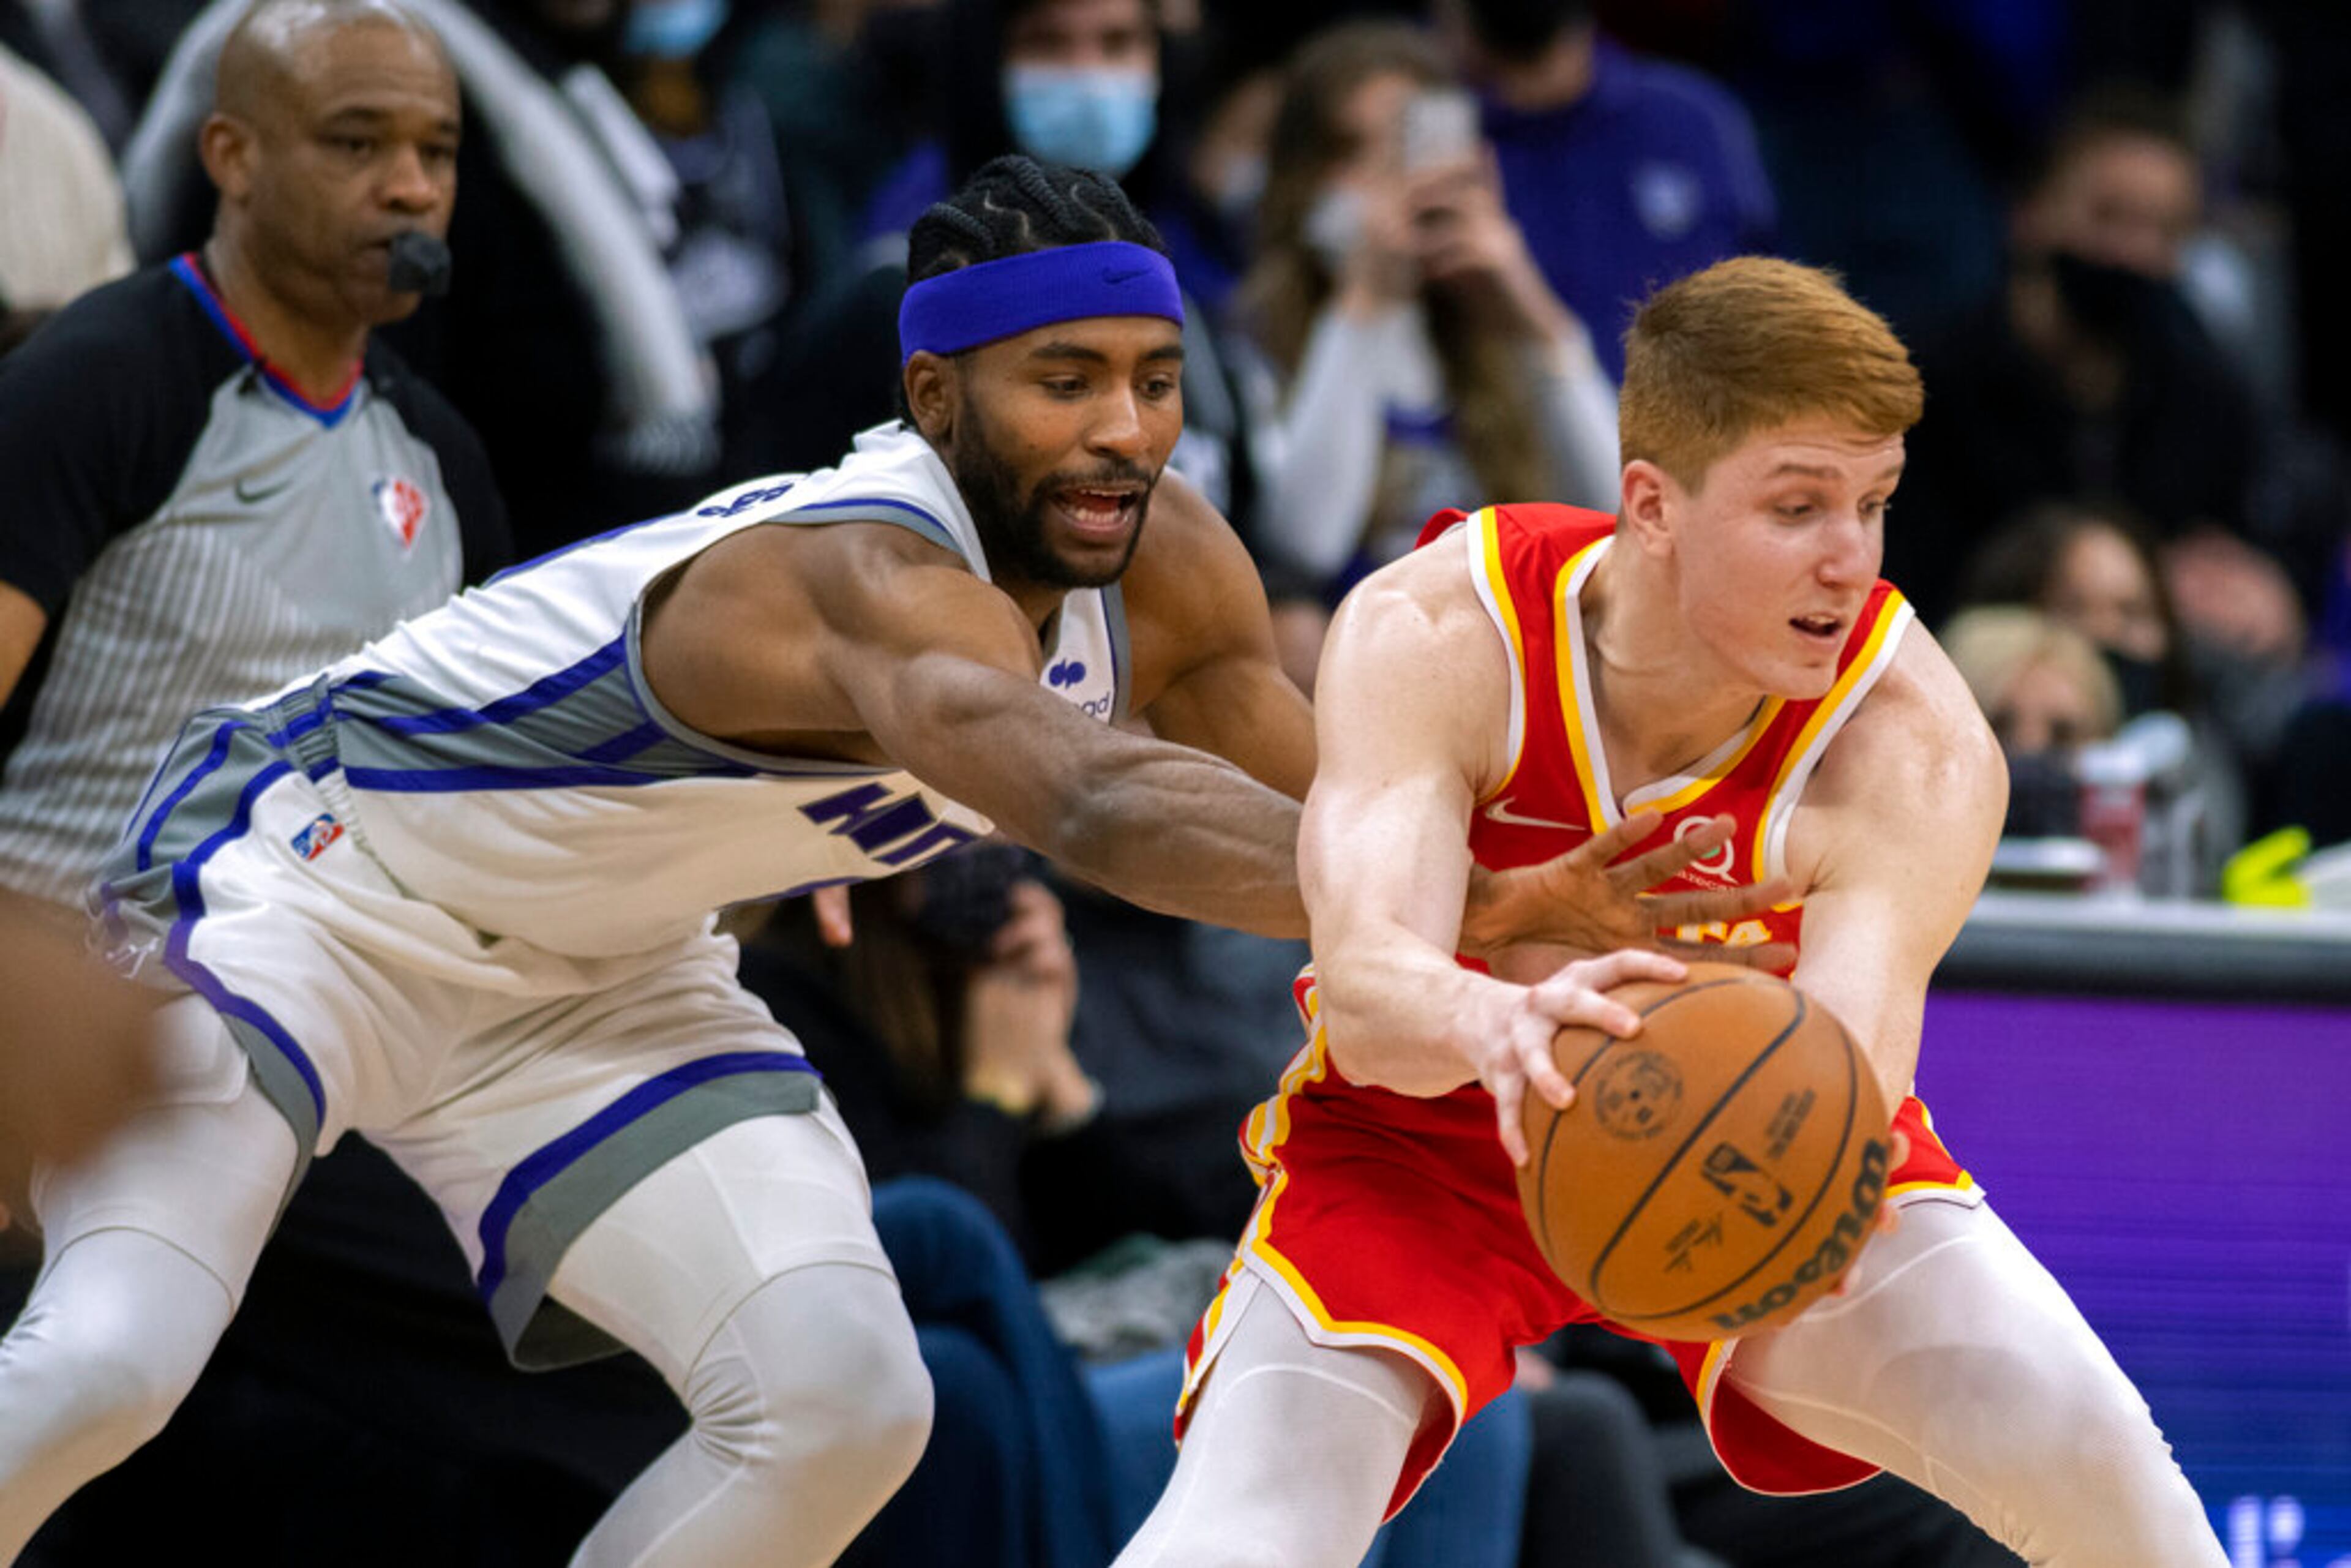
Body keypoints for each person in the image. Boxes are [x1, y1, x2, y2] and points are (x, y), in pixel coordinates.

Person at [0, 154, 1761, 1564]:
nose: (1123, 431)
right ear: (937, 395)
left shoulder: (1161, 556)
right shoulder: (861, 575)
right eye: (1062, 382)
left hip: (600, 974)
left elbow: (1351, 809)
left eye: (1152, 382)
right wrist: (1465, 912)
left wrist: (1542, 904)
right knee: (111, 1356)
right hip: (315, 882)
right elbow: (1094, 804)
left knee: (843, 1397)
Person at [1112, 257, 2228, 1568]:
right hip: (1431, 1138)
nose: (1849, 559)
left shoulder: (1910, 741)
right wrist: (1520, 1019)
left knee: (2111, 1472)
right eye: (1799, 505)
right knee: (1238, 1537)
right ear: (1650, 504)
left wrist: (1804, 1196)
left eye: (1874, 503)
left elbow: (1847, 1083)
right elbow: (1367, 1002)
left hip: (1747, 1137)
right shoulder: (1438, 631)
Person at [1233, 20, 1619, 619]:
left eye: (1414, 152)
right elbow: (1307, 544)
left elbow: (1610, 510)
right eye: (1365, 155)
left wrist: (1535, 318)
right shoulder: (1251, 336)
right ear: (1302, 177)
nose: (1400, 188)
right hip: (1350, 643)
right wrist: (1363, 301)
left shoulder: (1488, 325)